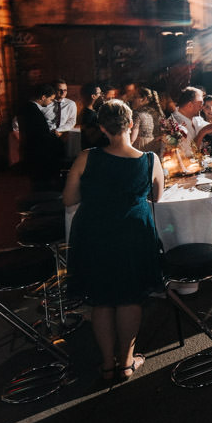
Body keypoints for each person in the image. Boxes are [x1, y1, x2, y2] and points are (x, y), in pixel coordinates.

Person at [64, 100, 165, 381]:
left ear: (102, 128)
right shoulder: (149, 160)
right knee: (130, 298)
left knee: (102, 299)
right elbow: (157, 197)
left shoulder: (87, 157)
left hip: (95, 233)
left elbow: (69, 199)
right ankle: (127, 362)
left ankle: (108, 363)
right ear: (131, 124)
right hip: (133, 232)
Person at [18, 83, 65, 191]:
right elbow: (40, 134)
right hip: (38, 151)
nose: (51, 102)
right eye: (51, 99)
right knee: (41, 184)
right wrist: (54, 136)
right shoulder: (33, 111)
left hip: (31, 148)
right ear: (43, 97)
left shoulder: (26, 107)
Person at [170, 87, 212, 157]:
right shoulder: (174, 124)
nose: (202, 107)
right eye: (200, 104)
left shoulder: (196, 118)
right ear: (190, 105)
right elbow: (190, 153)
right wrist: (202, 133)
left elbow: (208, 126)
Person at [130, 87, 165, 155]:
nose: (132, 100)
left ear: (144, 99)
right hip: (154, 150)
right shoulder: (158, 114)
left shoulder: (138, 115)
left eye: (135, 97)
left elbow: (132, 139)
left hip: (140, 149)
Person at [79, 83, 105, 150]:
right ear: (93, 96)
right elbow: (91, 139)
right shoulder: (88, 114)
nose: (102, 95)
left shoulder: (92, 111)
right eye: (100, 93)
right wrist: (104, 126)